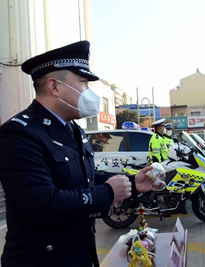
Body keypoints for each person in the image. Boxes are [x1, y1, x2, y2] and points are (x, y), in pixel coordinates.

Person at [0, 40, 158, 267]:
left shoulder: (73, 129)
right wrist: (106, 193)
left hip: (79, 255)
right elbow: (43, 205)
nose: (88, 92)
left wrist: (133, 183)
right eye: (83, 83)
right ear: (54, 87)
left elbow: (85, 179)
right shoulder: (19, 133)